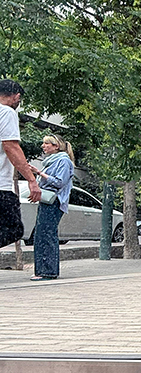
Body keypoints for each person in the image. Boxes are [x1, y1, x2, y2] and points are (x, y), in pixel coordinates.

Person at [0, 79, 41, 252]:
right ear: (16, 96)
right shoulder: (6, 112)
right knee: (13, 229)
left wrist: (24, 165)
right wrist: (31, 180)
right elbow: (11, 146)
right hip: (1, 186)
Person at [28, 134, 75, 281]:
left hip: (54, 201)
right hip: (47, 201)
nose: (43, 146)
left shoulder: (63, 161)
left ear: (56, 146)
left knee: (47, 235)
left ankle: (48, 271)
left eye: (46, 143)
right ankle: (41, 270)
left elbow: (60, 182)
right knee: (40, 235)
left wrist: (40, 173)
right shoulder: (51, 161)